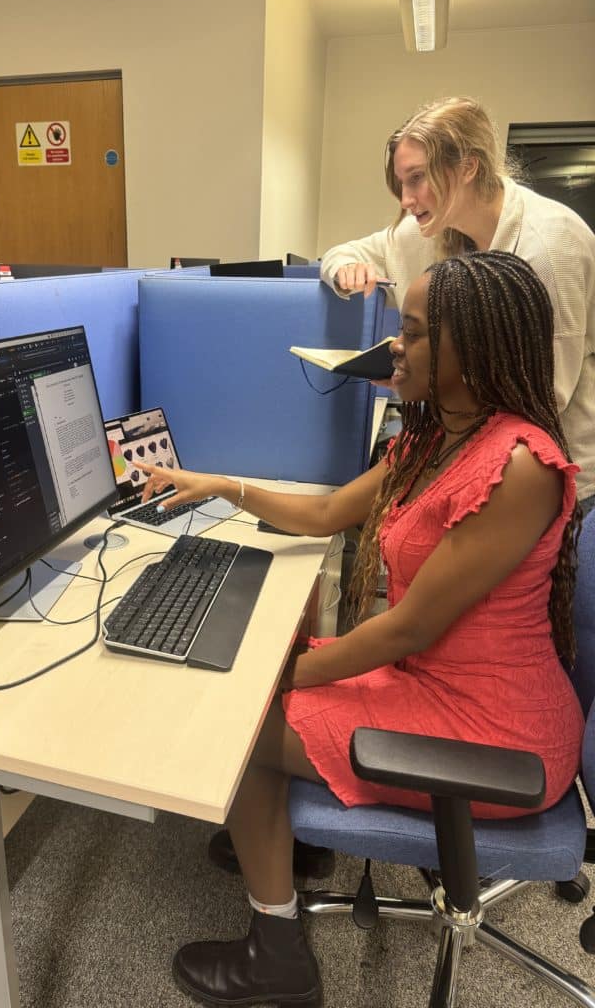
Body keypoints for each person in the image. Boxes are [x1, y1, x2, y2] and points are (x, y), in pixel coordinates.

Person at [135, 251, 584, 1007]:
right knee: (267, 677)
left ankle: (276, 957)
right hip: (431, 684)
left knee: (242, 727)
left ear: (470, 350)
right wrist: (222, 485)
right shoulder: (437, 439)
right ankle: (293, 845)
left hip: (494, 735)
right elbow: (324, 513)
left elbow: (407, 628)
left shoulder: (516, 466)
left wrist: (284, 678)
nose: (390, 350)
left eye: (410, 333)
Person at [320, 96, 595, 516]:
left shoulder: (550, 247)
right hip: (475, 447)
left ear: (468, 167)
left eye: (417, 179)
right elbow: (344, 252)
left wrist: (421, 377)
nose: (406, 200)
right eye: (401, 183)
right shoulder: (430, 229)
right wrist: (347, 269)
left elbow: (542, 394)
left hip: (551, 471)